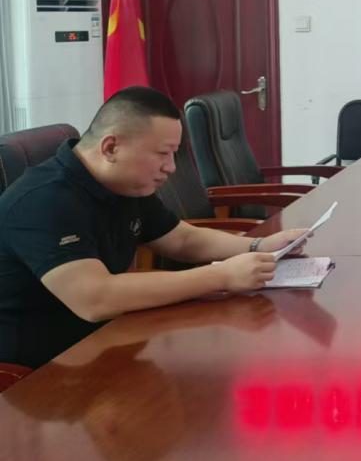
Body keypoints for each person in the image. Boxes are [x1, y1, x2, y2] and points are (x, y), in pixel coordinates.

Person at [0, 86, 313, 369]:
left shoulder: (124, 184)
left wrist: (258, 245)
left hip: (109, 339)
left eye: (174, 154)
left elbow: (182, 239)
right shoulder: (43, 200)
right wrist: (222, 276)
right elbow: (96, 298)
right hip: (38, 374)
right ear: (111, 148)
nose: (171, 167)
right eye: (163, 154)